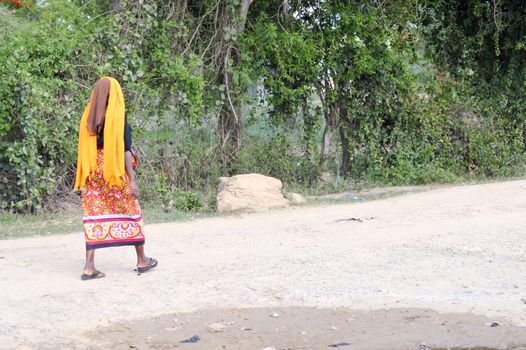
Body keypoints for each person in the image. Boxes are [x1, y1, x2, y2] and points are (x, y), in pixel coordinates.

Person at [74, 76, 157, 280]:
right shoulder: (117, 115)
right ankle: (142, 260)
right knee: (131, 209)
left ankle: (89, 267)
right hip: (114, 170)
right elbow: (126, 150)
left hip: (93, 170)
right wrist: (132, 179)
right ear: (115, 93)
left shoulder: (89, 115)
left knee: (94, 213)